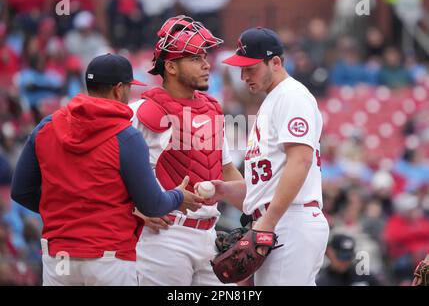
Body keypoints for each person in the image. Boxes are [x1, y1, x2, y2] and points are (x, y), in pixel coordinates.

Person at [11, 53, 203, 286]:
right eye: (129, 88)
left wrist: (63, 210)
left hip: (58, 257)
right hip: (110, 258)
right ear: (118, 89)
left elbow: (21, 191)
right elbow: (152, 205)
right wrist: (178, 196)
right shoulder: (127, 136)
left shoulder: (46, 126)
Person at [129, 15, 243, 286]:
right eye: (195, 58)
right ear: (170, 66)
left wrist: (259, 212)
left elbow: (226, 169)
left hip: (209, 235)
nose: (206, 65)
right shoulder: (141, 112)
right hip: (164, 237)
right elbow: (109, 169)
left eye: (205, 57)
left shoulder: (211, 108)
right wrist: (133, 209)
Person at [213, 27, 330, 285]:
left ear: (275, 62)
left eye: (250, 68)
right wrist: (224, 190)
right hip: (279, 220)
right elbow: (266, 185)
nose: (243, 76)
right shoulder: (273, 100)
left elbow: (301, 160)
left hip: (291, 221)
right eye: (241, 69)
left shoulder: (292, 96)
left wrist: (268, 220)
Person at [316, 234, 381, 286]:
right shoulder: (320, 279)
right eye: (341, 256)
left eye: (349, 257)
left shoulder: (364, 276)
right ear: (330, 252)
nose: (345, 261)